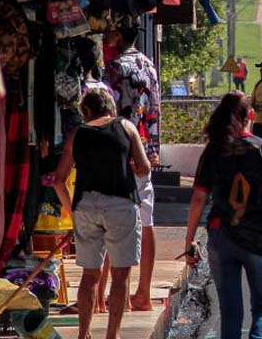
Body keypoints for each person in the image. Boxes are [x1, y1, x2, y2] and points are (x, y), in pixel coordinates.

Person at [183, 92, 262, 339]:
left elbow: (199, 198)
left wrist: (190, 240)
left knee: (231, 312)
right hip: (258, 237)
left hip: (221, 235)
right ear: (251, 116)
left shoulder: (213, 151)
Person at [54, 87, 151, 339]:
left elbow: (58, 180)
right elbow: (143, 167)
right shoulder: (126, 127)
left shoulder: (78, 134)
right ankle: (111, 336)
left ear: (86, 111)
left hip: (86, 205)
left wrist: (72, 209)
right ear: (111, 106)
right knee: (120, 275)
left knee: (90, 274)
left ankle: (83, 333)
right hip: (120, 205)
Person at [103, 24, 159, 311]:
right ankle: (143, 293)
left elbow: (106, 114)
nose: (106, 35)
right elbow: (155, 110)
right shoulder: (148, 64)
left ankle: (117, 297)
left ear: (119, 36)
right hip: (145, 154)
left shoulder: (114, 68)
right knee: (146, 222)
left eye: (110, 31)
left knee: (114, 223)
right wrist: (153, 150)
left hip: (121, 155)